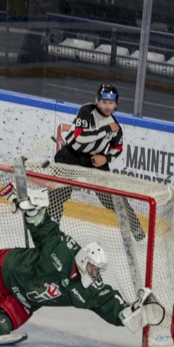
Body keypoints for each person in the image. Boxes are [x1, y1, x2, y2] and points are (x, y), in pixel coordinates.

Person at [0, 183, 164, 346]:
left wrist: (130, 313)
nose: (95, 273)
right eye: (93, 268)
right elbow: (46, 229)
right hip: (7, 268)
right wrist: (33, 211)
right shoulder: (63, 251)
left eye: (98, 270)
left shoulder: (90, 290)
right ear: (83, 260)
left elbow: (110, 305)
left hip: (24, 301)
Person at [48, 84, 145, 241]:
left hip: (95, 160)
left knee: (113, 197)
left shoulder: (116, 127)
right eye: (104, 102)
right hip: (71, 155)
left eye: (111, 103)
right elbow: (79, 138)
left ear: (116, 104)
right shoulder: (86, 111)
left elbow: (117, 147)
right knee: (59, 192)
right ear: (98, 101)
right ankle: (50, 231)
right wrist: (106, 130)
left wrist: (105, 158)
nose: (107, 106)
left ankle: (137, 231)